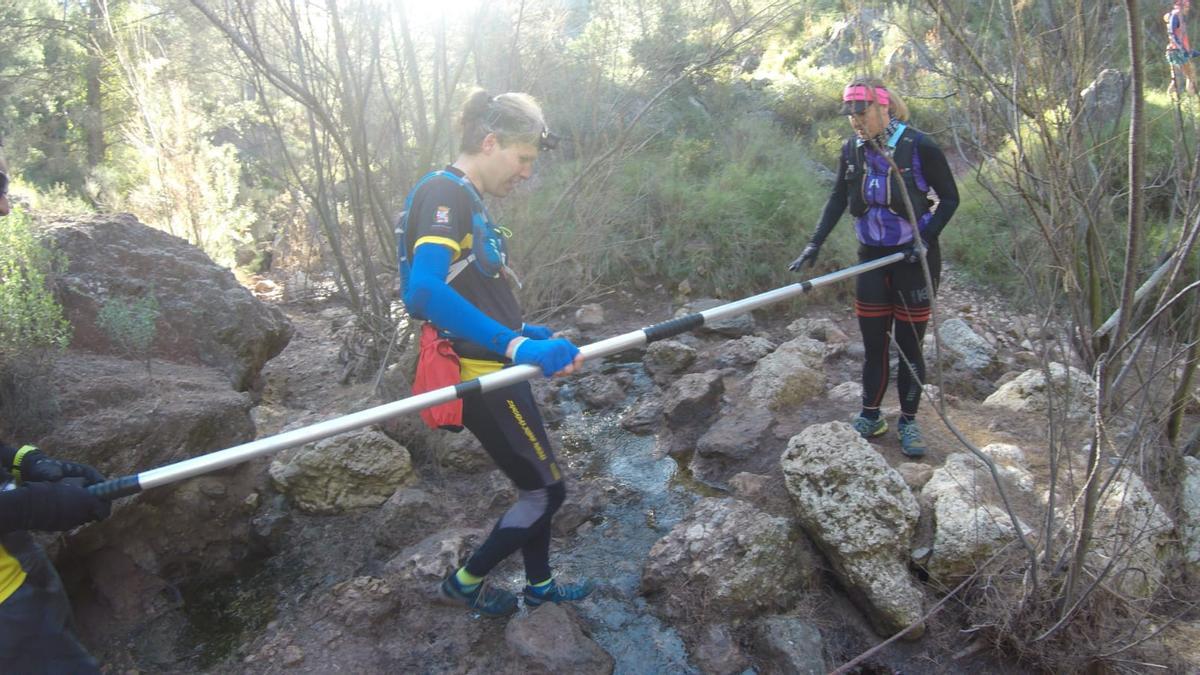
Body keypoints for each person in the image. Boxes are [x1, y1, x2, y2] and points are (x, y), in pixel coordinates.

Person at [399, 89, 593, 616]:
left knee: (537, 483)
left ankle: (540, 585)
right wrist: (515, 342)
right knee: (546, 493)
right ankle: (464, 583)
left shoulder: (464, 196)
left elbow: (466, 294)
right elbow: (423, 291)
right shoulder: (445, 195)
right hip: (482, 374)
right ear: (491, 142)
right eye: (523, 158)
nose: (527, 173)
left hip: (497, 366)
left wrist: (525, 328)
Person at [788, 77, 959, 458]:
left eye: (861, 113)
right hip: (871, 259)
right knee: (874, 344)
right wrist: (814, 243)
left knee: (911, 346)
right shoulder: (852, 150)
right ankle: (870, 416)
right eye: (849, 114)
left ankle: (909, 422)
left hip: (914, 261)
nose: (854, 122)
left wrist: (924, 239)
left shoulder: (919, 146)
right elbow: (836, 197)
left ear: (884, 108)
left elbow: (949, 199)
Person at [1166, 0, 1200, 96]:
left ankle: (1170, 97)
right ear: (1181, 6)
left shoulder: (1179, 18)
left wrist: (1189, 51)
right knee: (1191, 75)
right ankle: (1192, 97)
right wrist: (1181, 48)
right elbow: (1172, 33)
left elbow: (1180, 38)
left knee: (1176, 79)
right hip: (1177, 52)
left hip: (1177, 51)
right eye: (1186, 7)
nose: (1187, 9)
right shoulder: (1175, 16)